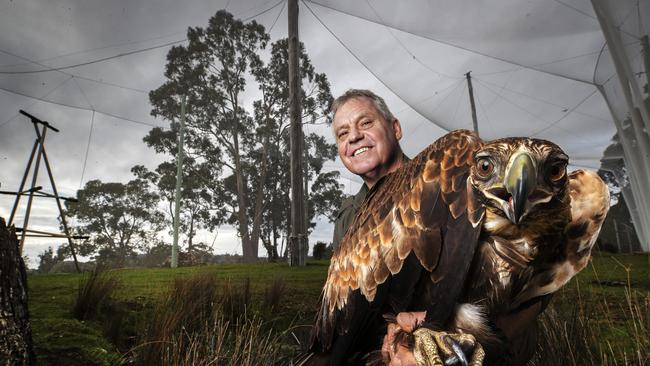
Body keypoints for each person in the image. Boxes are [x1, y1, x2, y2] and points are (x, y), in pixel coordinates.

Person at [330, 89, 549, 365]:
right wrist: (393, 334)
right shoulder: (349, 219)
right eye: (342, 133)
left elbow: (533, 281)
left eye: (366, 123)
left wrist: (456, 342)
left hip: (482, 343)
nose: (354, 136)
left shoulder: (460, 173)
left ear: (395, 128)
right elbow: (351, 314)